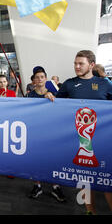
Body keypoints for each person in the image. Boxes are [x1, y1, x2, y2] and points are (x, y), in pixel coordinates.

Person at [45, 50, 112, 215]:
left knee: (109, 179)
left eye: (81, 64)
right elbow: (57, 104)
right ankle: (89, 211)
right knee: (84, 178)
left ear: (91, 65)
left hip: (103, 138)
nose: (77, 66)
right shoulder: (69, 84)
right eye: (75, 63)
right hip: (80, 141)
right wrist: (50, 95)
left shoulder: (105, 83)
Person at [26, 66, 66, 202]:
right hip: (35, 133)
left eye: (42, 77)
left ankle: (56, 186)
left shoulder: (55, 93)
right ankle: (37, 186)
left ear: (46, 78)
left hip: (51, 133)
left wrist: (53, 98)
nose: (39, 79)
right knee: (35, 161)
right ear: (33, 80)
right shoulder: (30, 95)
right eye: (37, 77)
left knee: (53, 160)